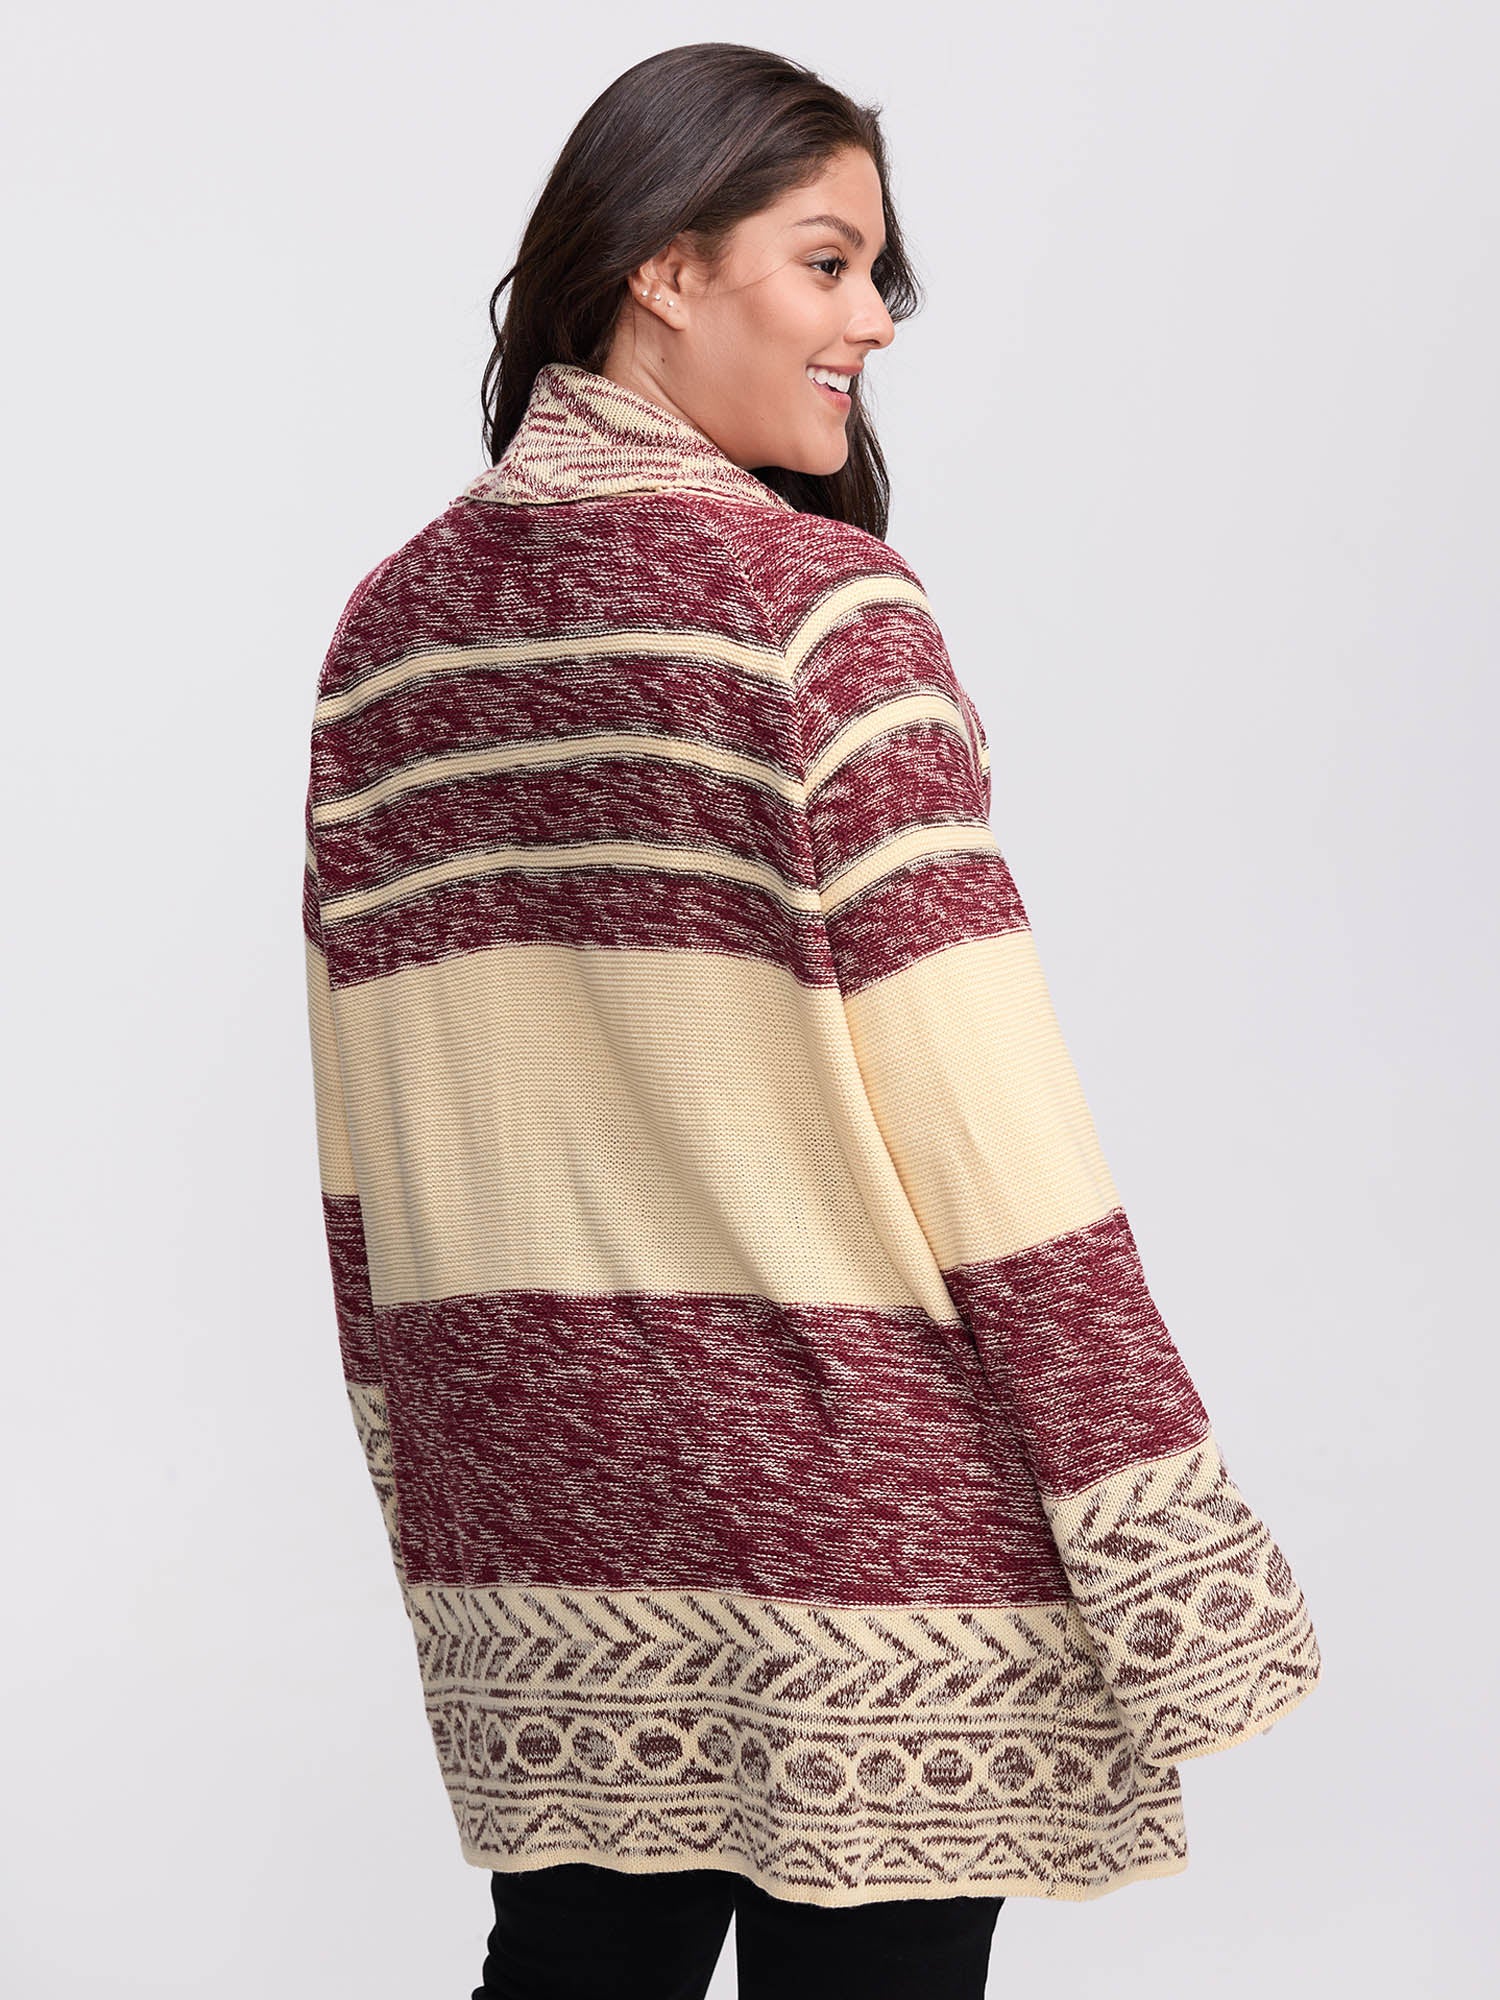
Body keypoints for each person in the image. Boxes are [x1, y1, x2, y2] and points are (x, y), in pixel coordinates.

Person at [300, 40, 1322, 2000]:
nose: (874, 323)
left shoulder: (390, 639)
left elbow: (370, 1146)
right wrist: (1166, 1530)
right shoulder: (817, 613)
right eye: (829, 262)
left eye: (880, 277)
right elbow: (985, 1114)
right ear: (664, 265)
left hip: (549, 1497)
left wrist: (428, 1465)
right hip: (868, 1513)